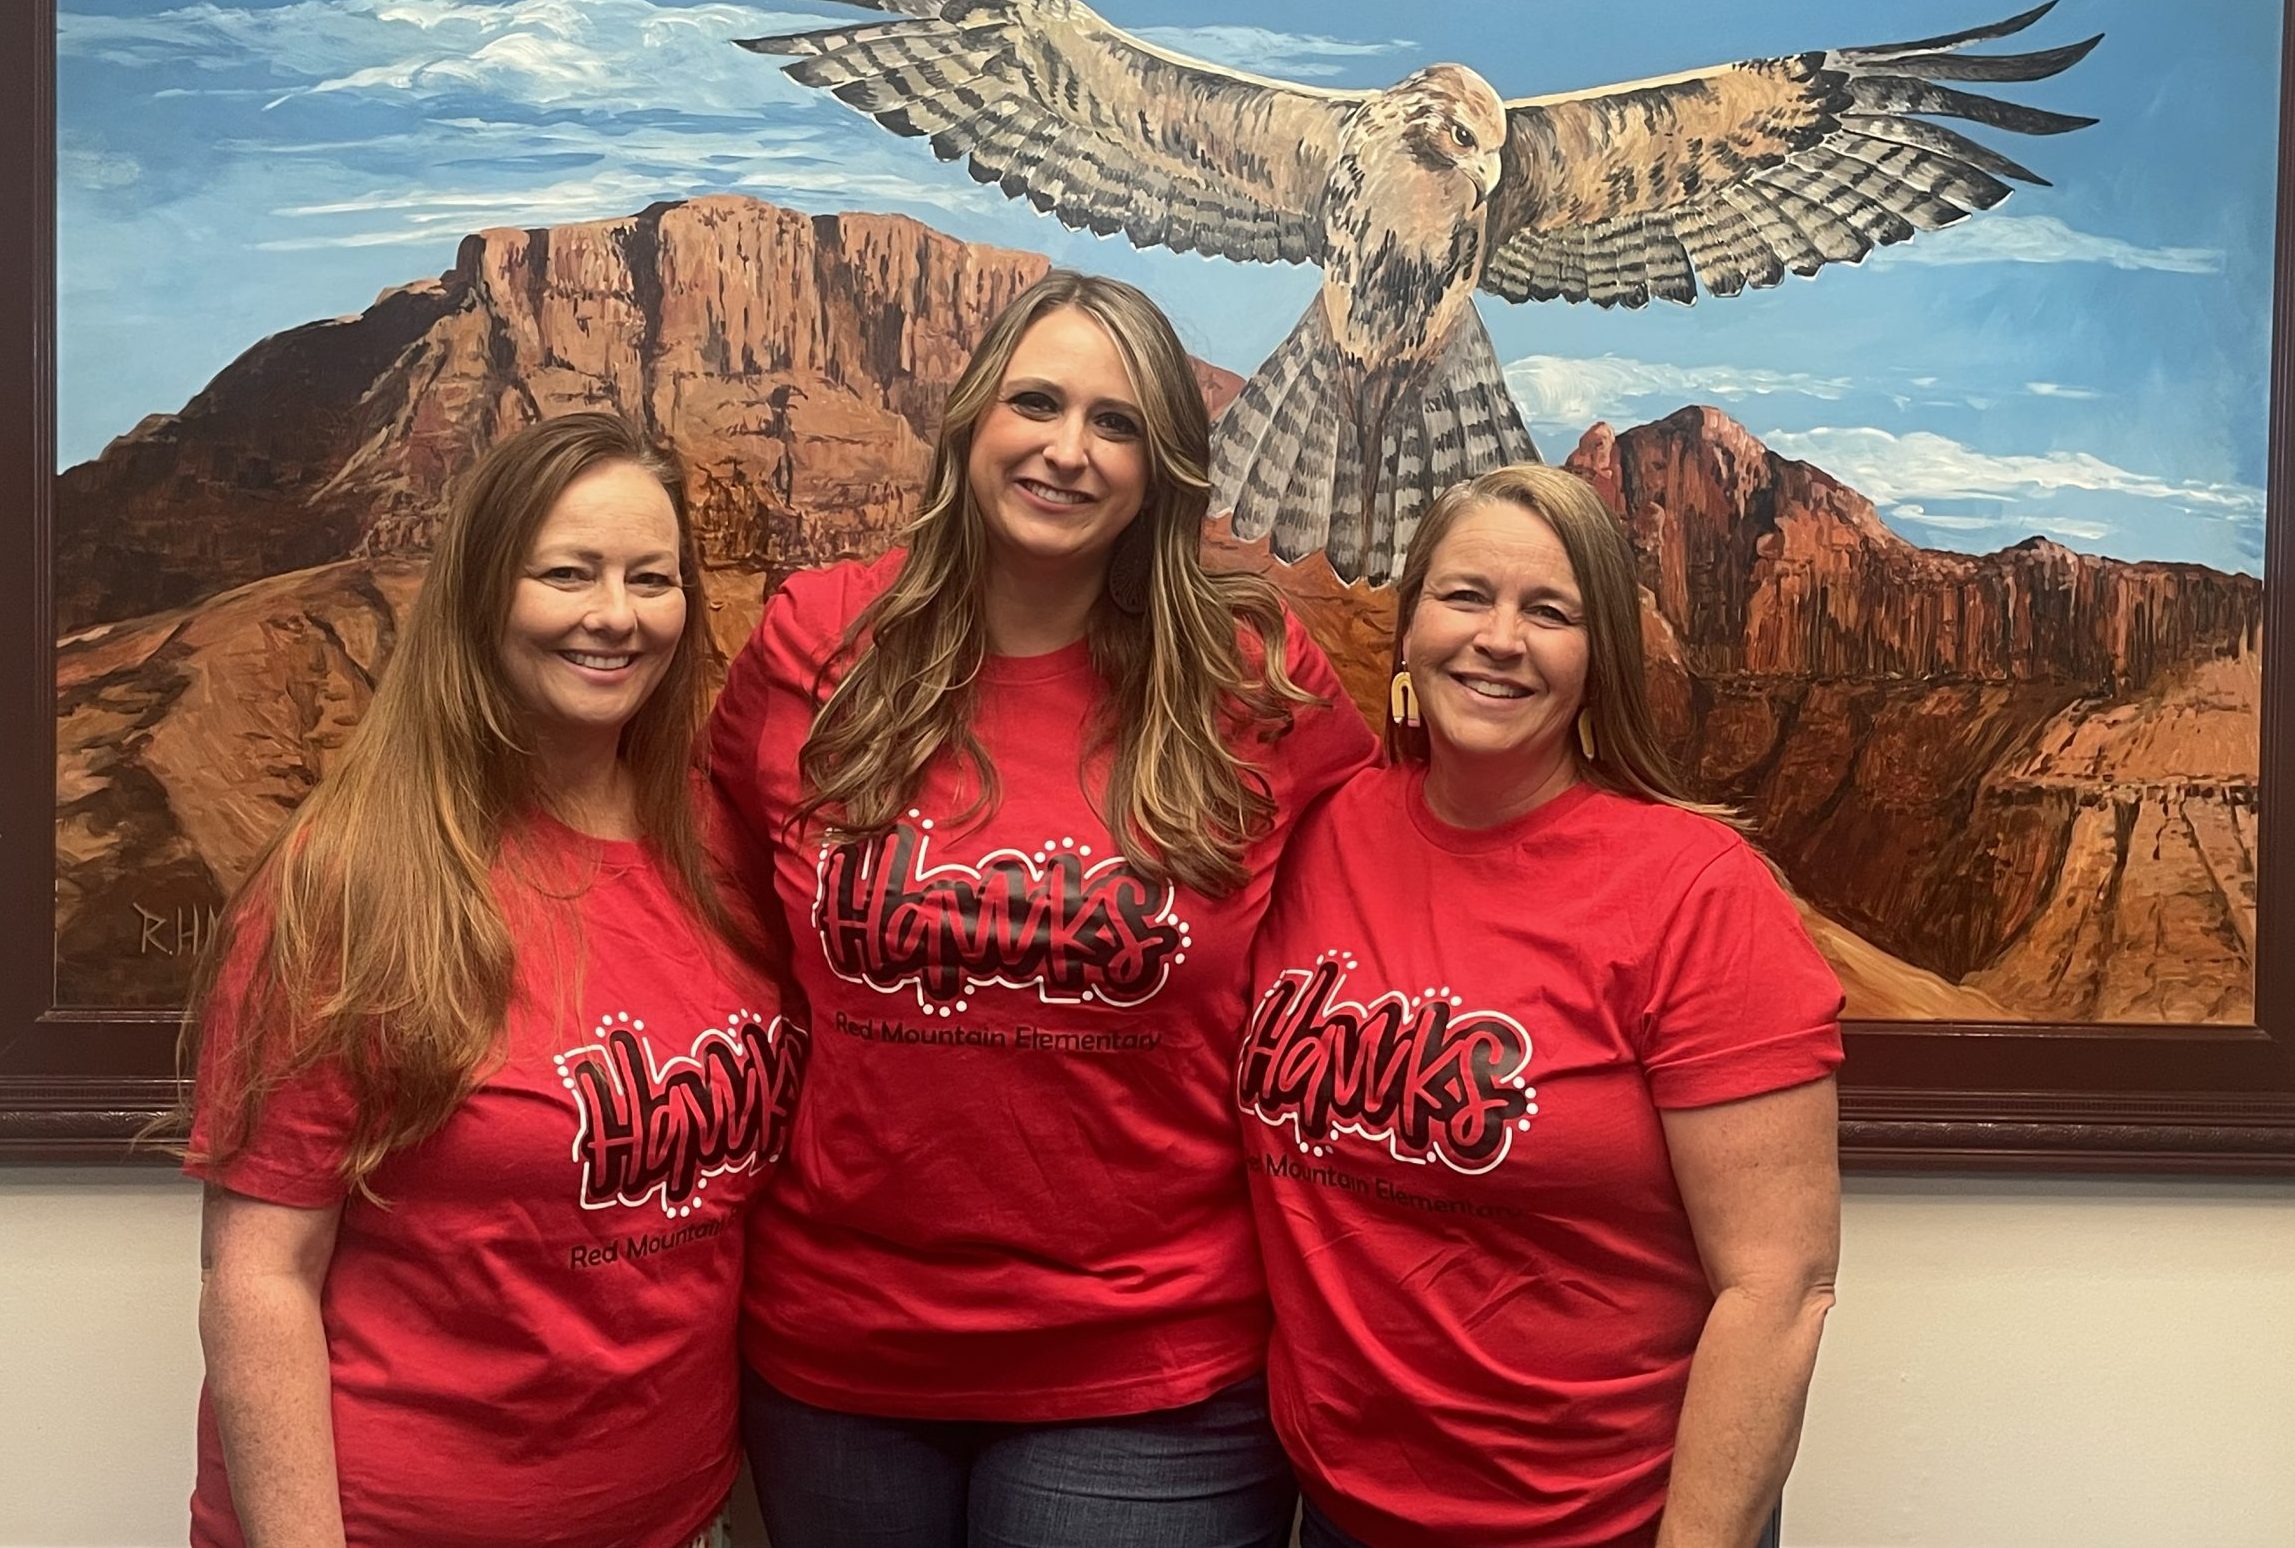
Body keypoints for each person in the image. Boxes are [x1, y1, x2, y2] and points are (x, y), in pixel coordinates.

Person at [708, 269, 1379, 1547]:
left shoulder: (1252, 675)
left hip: (1151, 1357)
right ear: (971, 424)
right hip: (838, 1355)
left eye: (1117, 423)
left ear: (1161, 466)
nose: (1069, 451)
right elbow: (699, 898)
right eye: (1037, 403)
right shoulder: (818, 641)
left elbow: (1404, 886)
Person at [182, 413, 804, 1548]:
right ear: (478, 598)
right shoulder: (353, 881)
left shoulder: (721, 850)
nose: (614, 615)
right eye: (566, 573)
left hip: (677, 1519)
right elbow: (259, 1278)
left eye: (650, 578)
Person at [1236, 463, 1844, 1548]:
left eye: (1549, 611)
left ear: (1598, 654)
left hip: (1604, 1522)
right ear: (1411, 619)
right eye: (1466, 595)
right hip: (1339, 1510)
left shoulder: (1697, 890)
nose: (1499, 639)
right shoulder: (1316, 832)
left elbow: (1779, 1290)